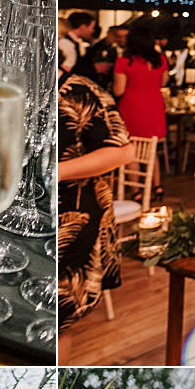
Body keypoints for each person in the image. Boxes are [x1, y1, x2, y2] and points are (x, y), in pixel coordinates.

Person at [56, 41, 132, 326]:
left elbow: (123, 151)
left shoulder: (83, 92)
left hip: (76, 215)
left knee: (63, 314)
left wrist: (58, 171)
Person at [112, 25, 168, 143]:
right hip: (155, 105)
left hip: (133, 107)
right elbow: (163, 82)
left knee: (132, 151)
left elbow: (119, 90)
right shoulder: (161, 59)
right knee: (151, 151)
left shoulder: (124, 62)